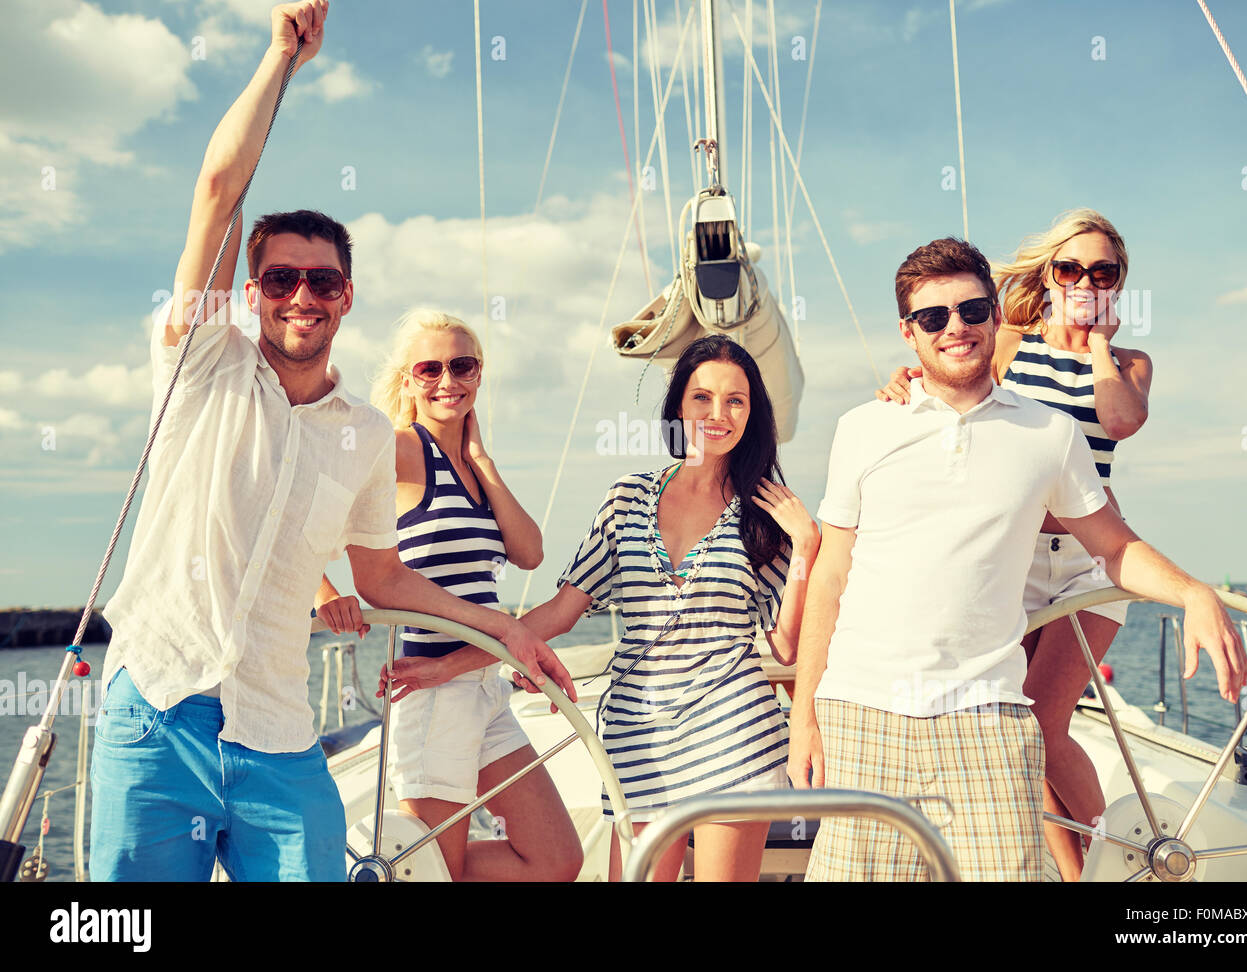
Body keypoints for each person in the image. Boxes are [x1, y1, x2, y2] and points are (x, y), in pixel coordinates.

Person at [90, 2, 570, 882]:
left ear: (347, 296)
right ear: (252, 289)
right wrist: (282, 60)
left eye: (322, 280)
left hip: (277, 730)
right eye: (280, 278)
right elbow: (216, 191)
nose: (300, 295)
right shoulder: (202, 367)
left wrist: (503, 627)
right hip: (155, 709)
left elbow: (382, 577)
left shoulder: (363, 435)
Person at [789, 236, 1246, 881]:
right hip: (865, 714)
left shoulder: (1049, 434)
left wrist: (1195, 593)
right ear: (908, 333)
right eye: (933, 317)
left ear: (995, 316)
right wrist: (805, 714)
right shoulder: (863, 427)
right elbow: (830, 574)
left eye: (972, 311)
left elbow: (1113, 547)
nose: (956, 328)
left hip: (988, 721)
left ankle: (1102, 858)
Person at [875, 210, 1151, 880]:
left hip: (1090, 563)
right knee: (1021, 733)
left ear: (1119, 282)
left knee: (1040, 724)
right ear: (1050, 275)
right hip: (1011, 562)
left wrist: (1095, 348)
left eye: (1103, 271)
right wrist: (900, 385)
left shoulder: (1129, 364)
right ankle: (1077, 871)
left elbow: (1118, 419)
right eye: (1071, 267)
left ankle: (1125, 856)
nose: (1086, 280)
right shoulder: (1008, 342)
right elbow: (947, 369)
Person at [516, 335, 821, 881]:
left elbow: (785, 644)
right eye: (702, 397)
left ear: (753, 413)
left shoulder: (766, 513)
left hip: (733, 727)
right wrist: (461, 654)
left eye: (736, 400)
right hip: (637, 731)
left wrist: (805, 547)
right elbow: (561, 611)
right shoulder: (626, 499)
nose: (718, 414)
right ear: (678, 404)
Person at [317, 309, 582, 881]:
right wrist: (323, 590)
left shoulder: (471, 464)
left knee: (557, 860)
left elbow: (529, 552)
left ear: (479, 374)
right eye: (429, 368)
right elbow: (302, 508)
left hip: (486, 685)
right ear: (408, 379)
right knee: (431, 869)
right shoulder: (397, 448)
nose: (447, 381)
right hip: (430, 688)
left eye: (462, 366)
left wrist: (482, 460)